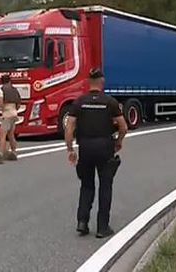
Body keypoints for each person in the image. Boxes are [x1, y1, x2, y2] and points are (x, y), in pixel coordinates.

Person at [64, 68, 128, 238]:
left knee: (86, 185)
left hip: (85, 147)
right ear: (102, 82)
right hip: (105, 146)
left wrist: (70, 149)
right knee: (105, 185)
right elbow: (123, 126)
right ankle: (102, 227)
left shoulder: (79, 102)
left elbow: (69, 128)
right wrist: (119, 141)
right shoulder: (110, 102)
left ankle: (82, 222)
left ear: (88, 83)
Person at [0, 74, 21, 162]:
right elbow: (19, 104)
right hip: (14, 113)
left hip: (7, 114)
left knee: (2, 134)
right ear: (9, 81)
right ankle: (14, 152)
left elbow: (1, 104)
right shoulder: (14, 89)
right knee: (11, 135)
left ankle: (2, 154)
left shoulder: (2, 90)